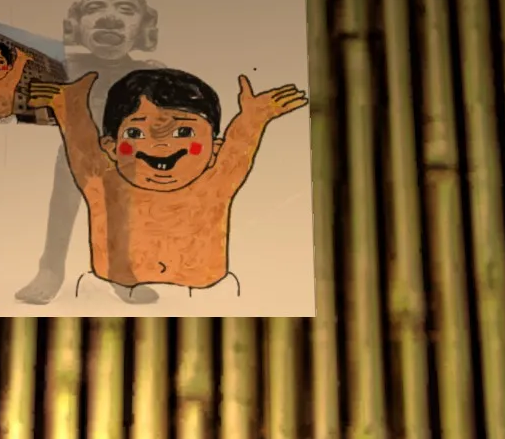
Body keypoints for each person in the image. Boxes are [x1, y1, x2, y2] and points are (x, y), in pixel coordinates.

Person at [30, 67, 307, 301]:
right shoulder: (106, 185)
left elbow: (238, 147)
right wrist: (69, 107)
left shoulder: (215, 184)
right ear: (112, 147)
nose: (160, 145)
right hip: (114, 291)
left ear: (214, 149)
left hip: (204, 295)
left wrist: (254, 117)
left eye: (183, 131)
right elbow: (83, 148)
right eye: (136, 132)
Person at [15, 0, 168, 303]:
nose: (110, 19)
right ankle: (51, 269)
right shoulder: (62, 66)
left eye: (125, 10)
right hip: (73, 154)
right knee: (61, 212)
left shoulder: (146, 73)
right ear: (75, 24)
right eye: (95, 8)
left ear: (144, 27)